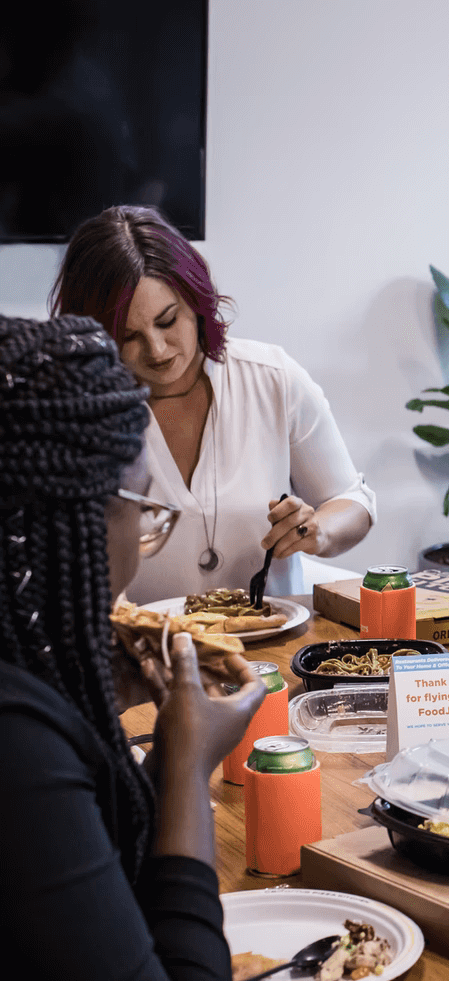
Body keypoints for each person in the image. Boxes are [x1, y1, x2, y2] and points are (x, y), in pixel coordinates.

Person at [0, 313, 267, 980]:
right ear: (76, 516)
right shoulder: (16, 743)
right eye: (143, 508)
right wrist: (184, 760)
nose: (145, 535)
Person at [49, 205, 376, 604]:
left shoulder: (271, 378)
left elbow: (352, 501)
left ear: (197, 302)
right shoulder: (77, 411)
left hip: (269, 646)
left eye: (167, 321)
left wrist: (316, 531)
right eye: (128, 336)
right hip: (143, 653)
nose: (157, 349)